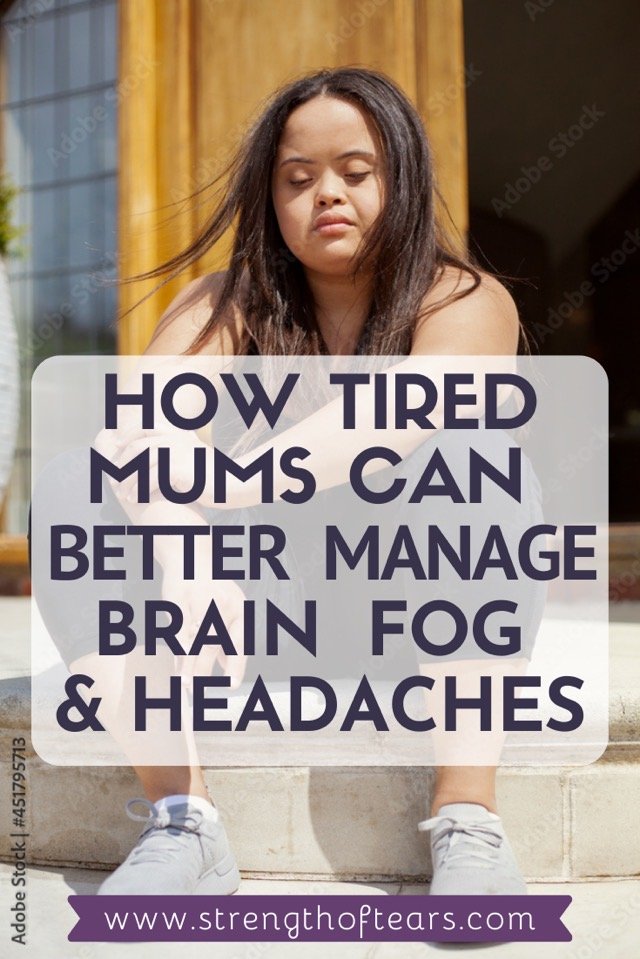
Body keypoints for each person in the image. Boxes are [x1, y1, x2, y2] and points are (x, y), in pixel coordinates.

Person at [33, 66, 541, 897]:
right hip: (246, 636)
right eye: (298, 179)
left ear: (402, 180)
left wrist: (225, 485)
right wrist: (184, 545)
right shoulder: (224, 301)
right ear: (271, 199)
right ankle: (181, 818)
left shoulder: (463, 296)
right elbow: (134, 432)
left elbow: (394, 416)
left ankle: (468, 819)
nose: (326, 195)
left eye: (356, 172)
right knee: (70, 487)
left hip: (407, 631)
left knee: (478, 465)